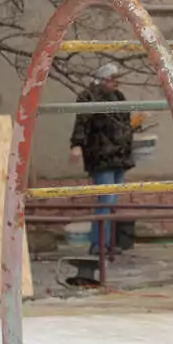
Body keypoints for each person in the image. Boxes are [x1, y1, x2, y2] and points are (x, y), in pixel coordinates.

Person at [70, 64, 135, 256]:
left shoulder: (119, 97)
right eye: (112, 79)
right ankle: (98, 244)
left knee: (111, 201)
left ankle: (107, 242)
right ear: (103, 79)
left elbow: (124, 123)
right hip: (101, 156)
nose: (116, 83)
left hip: (119, 156)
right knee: (105, 200)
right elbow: (81, 123)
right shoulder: (89, 96)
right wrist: (76, 145)